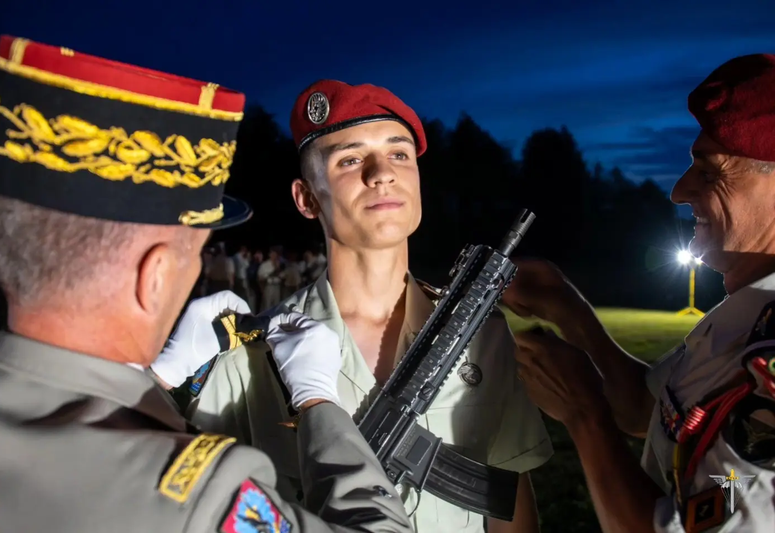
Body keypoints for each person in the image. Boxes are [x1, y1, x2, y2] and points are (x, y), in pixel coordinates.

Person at [0, 35, 412, 533]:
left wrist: (154, 379)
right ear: (155, 276)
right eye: (194, 253)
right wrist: (317, 399)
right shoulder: (193, 498)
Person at [157, 80, 553, 533]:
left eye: (399, 154)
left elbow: (506, 498)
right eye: (350, 159)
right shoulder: (248, 356)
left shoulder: (483, 334)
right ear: (306, 198)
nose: (382, 172)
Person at [503, 54, 775, 532]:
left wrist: (585, 415)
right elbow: (647, 410)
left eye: (710, 173)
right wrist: (568, 310)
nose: (679, 191)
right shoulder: (749, 313)